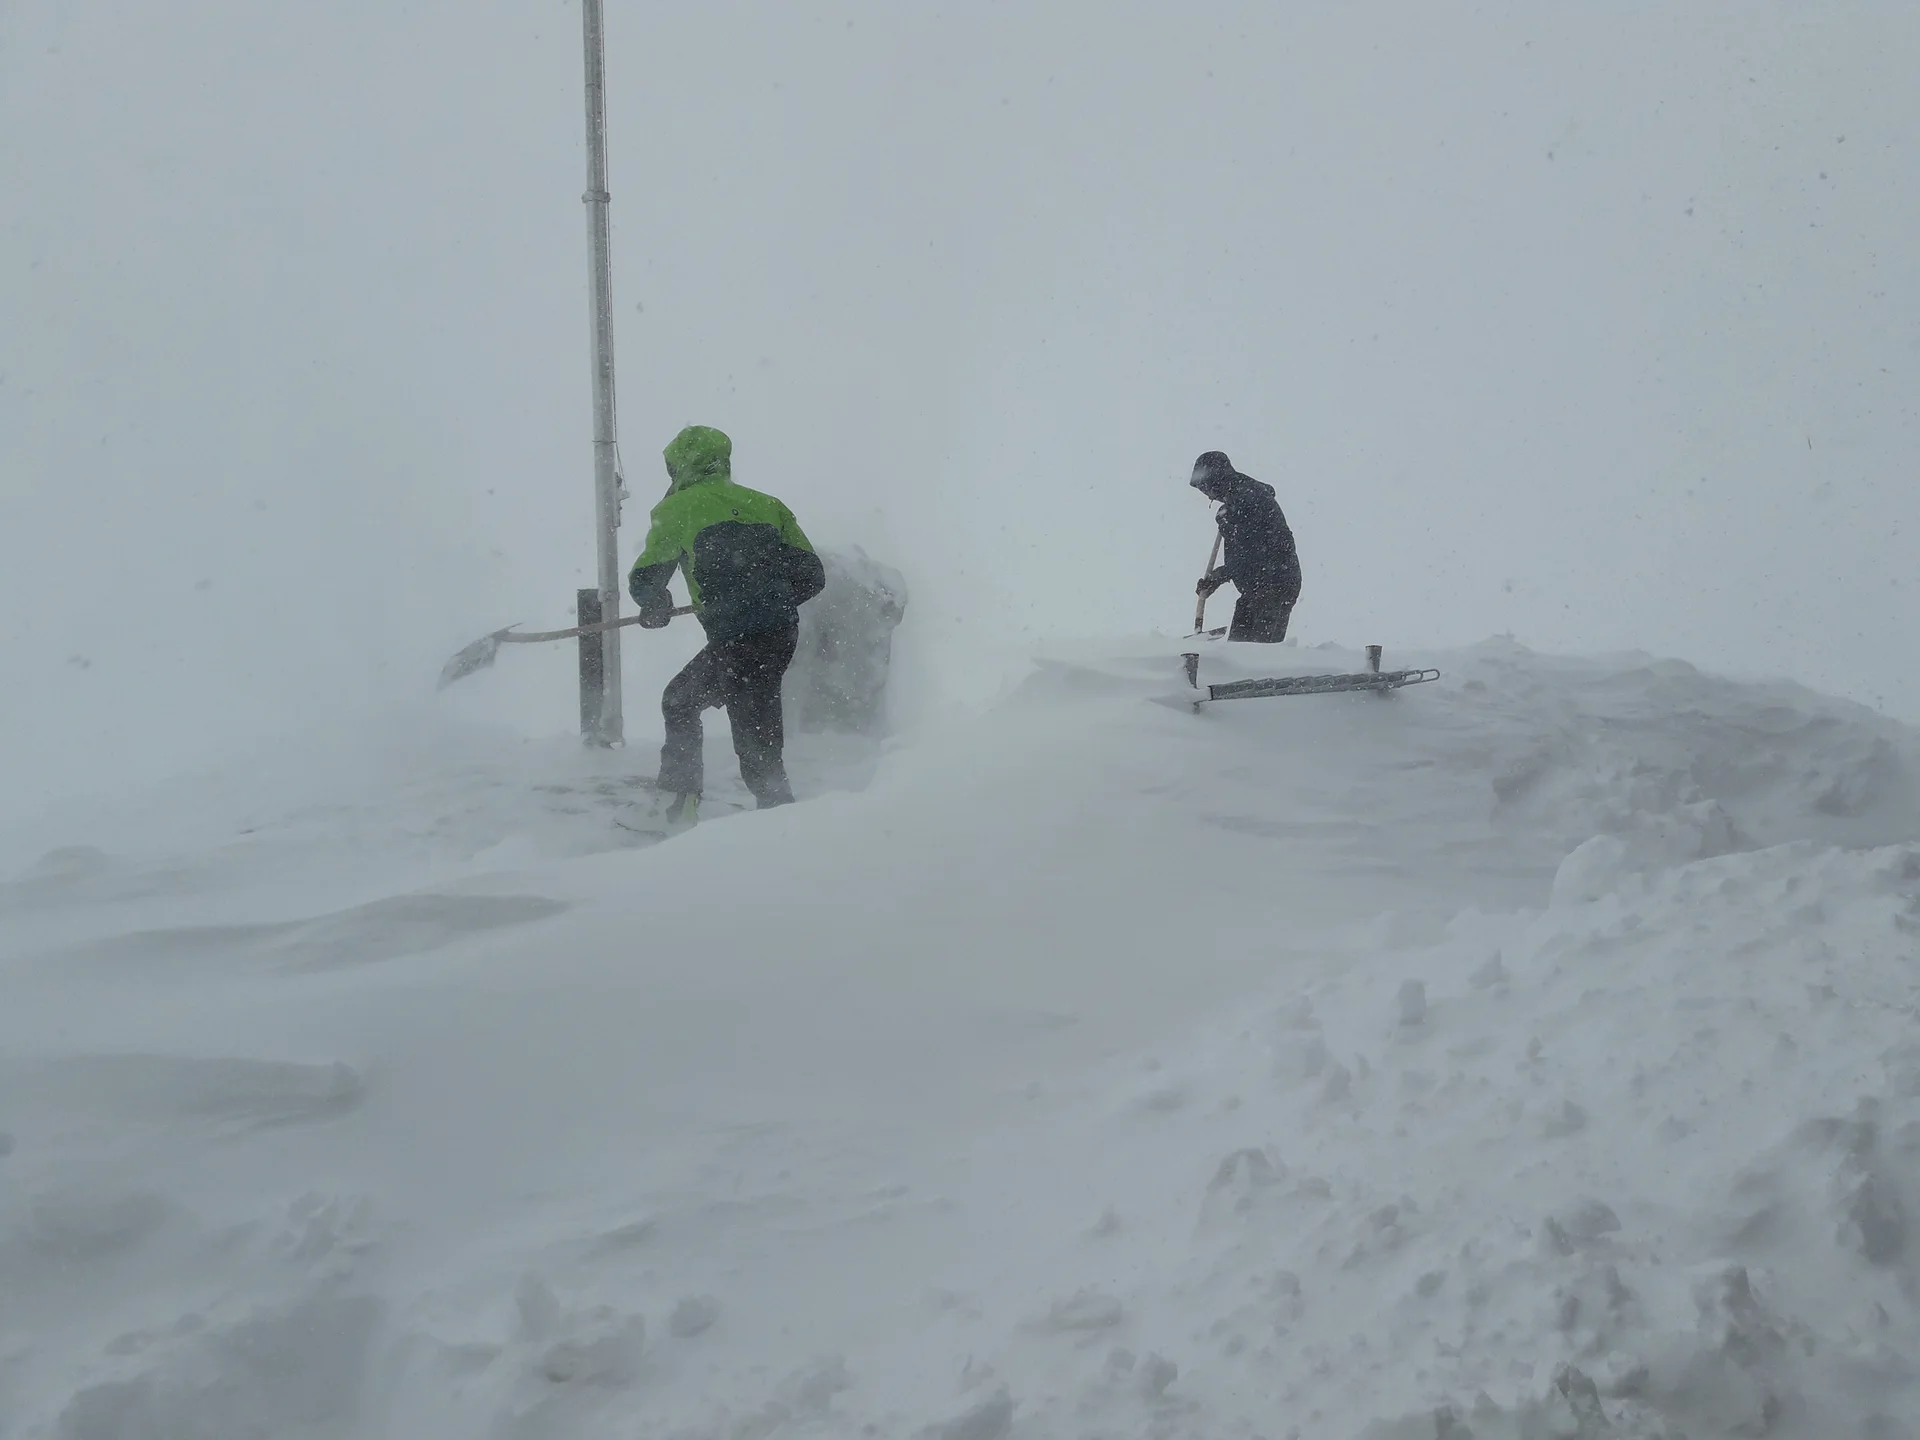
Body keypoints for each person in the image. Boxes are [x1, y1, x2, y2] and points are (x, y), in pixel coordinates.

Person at [628, 425, 826, 820]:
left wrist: (655, 606)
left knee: (727, 717)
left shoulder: (677, 509)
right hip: (779, 631)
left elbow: (648, 577)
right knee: (725, 708)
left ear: (680, 466)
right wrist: (767, 597)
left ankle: (698, 808)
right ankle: (771, 812)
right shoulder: (769, 505)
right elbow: (811, 575)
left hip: (737, 636)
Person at [1189, 450, 1302, 642]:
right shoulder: (1239, 500)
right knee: (1240, 650)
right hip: (1259, 586)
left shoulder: (1247, 499)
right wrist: (1216, 578)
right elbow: (1242, 557)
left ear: (1217, 479)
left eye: (1206, 488)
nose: (1208, 495)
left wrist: (1218, 577)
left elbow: (1252, 553)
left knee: (1257, 655)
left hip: (1274, 582)